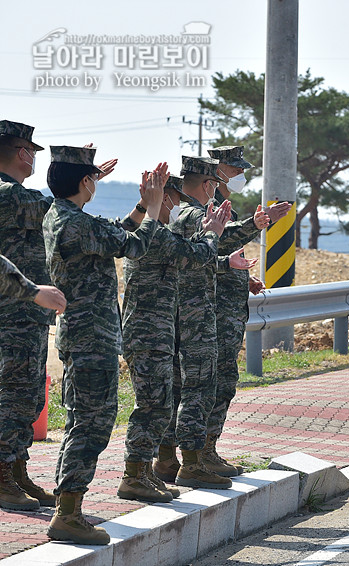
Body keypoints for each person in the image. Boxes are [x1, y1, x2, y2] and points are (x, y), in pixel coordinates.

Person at [43, 144, 161, 545]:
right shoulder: (76, 224)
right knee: (92, 423)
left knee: (83, 420)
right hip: (91, 336)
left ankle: (68, 505)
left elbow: (115, 233)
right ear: (85, 182)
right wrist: (155, 206)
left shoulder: (62, 216)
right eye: (91, 177)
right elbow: (136, 246)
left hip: (83, 335)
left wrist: (141, 209)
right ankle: (68, 513)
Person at [118, 171, 234, 503]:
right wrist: (212, 233)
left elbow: (190, 260)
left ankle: (144, 472)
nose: (179, 208)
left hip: (155, 332)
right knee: (152, 405)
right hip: (148, 334)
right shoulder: (155, 234)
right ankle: (134, 475)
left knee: (158, 404)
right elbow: (194, 255)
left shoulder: (153, 232)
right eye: (176, 201)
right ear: (165, 198)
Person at [154, 156, 266, 490]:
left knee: (190, 386)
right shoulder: (194, 214)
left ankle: (184, 457)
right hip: (198, 317)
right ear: (210, 181)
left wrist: (232, 269)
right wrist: (254, 226)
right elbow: (197, 254)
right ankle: (191, 459)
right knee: (197, 388)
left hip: (199, 313)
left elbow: (200, 256)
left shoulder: (193, 213)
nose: (238, 178)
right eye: (233, 173)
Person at [203, 145, 292, 477]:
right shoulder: (208, 208)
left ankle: (206, 450)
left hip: (227, 307)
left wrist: (243, 276)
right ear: (219, 171)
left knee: (222, 381)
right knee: (212, 382)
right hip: (213, 311)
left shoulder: (225, 206)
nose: (242, 176)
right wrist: (261, 223)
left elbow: (221, 256)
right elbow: (213, 246)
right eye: (236, 170)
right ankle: (200, 453)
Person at [0, 120, 62, 511]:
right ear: (23, 153)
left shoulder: (19, 195)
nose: (34, 158)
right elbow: (58, 211)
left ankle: (17, 470)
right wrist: (73, 182)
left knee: (24, 398)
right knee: (12, 397)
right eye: (33, 152)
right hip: (12, 315)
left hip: (26, 315)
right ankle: (4, 476)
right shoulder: (10, 196)